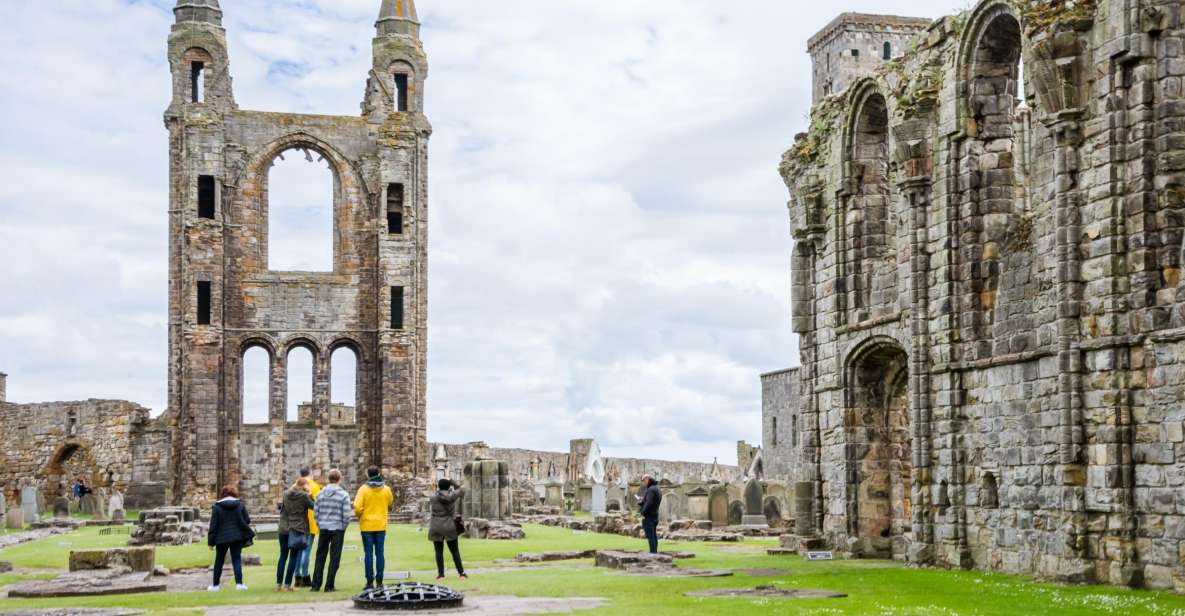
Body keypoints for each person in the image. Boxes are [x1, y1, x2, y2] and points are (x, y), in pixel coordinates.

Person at [311, 469, 351, 593]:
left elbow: (315, 512)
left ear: (329, 479)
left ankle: (315, 585)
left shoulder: (320, 493)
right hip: (337, 528)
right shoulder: (343, 495)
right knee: (335, 558)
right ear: (339, 479)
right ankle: (329, 585)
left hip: (323, 527)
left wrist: (320, 523)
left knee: (320, 557)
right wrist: (343, 527)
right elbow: (347, 515)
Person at [207, 485, 253, 592]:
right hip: (237, 537)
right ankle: (239, 584)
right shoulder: (240, 505)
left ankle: (215, 586)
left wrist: (211, 542)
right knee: (236, 560)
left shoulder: (217, 507)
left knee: (219, 561)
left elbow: (213, 525)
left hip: (221, 538)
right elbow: (247, 520)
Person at [354, 465, 393, 589]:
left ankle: (369, 581)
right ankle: (380, 581)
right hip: (380, 525)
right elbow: (390, 502)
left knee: (368, 554)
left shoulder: (363, 490)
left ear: (367, 474)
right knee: (380, 553)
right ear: (379, 473)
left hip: (367, 525)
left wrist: (360, 515)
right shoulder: (386, 489)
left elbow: (357, 507)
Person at [277, 477, 315, 592]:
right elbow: (314, 506)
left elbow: (282, 509)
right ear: (304, 486)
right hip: (297, 528)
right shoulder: (304, 496)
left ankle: (279, 584)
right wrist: (309, 494)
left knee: (283, 556)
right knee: (293, 556)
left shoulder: (286, 494)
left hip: (283, 528)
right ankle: (287, 584)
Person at [428, 479, 467, 581]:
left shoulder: (432, 497)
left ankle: (441, 575)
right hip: (449, 524)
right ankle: (461, 573)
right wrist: (453, 482)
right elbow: (462, 490)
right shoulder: (452, 496)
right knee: (455, 551)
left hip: (436, 525)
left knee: (438, 551)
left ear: (439, 486)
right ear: (449, 487)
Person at [295, 467, 321, 587]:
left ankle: (297, 576)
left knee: (297, 550)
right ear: (310, 474)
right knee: (306, 550)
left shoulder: (295, 485)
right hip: (310, 522)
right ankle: (304, 576)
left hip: (296, 522)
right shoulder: (314, 486)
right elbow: (318, 504)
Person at [636, 475, 662, 554]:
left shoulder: (651, 489)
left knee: (651, 536)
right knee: (653, 535)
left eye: (643, 481)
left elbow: (649, 503)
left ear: (647, 479)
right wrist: (642, 500)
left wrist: (642, 512)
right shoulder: (657, 488)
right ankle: (654, 552)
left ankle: (653, 553)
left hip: (649, 516)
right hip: (655, 515)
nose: (643, 483)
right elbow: (649, 501)